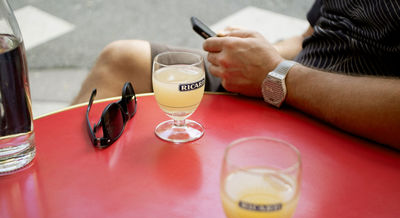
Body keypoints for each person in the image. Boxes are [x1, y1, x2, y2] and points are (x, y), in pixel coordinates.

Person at [72, 0, 400, 150]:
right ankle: (61, 188)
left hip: (337, 116)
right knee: (123, 59)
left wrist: (278, 77)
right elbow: (311, 36)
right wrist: (251, 55)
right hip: (284, 80)